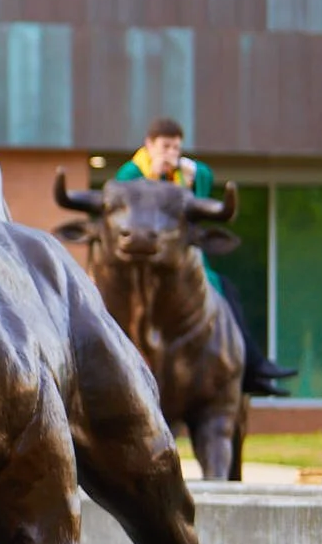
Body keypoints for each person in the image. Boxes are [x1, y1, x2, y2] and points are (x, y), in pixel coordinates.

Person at [116, 117, 296, 397]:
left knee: (225, 291)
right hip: (143, 268)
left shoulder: (181, 173)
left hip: (180, 265)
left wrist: (189, 184)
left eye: (176, 148)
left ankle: (252, 365)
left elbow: (192, 215)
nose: (172, 154)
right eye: (165, 147)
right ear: (149, 145)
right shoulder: (130, 175)